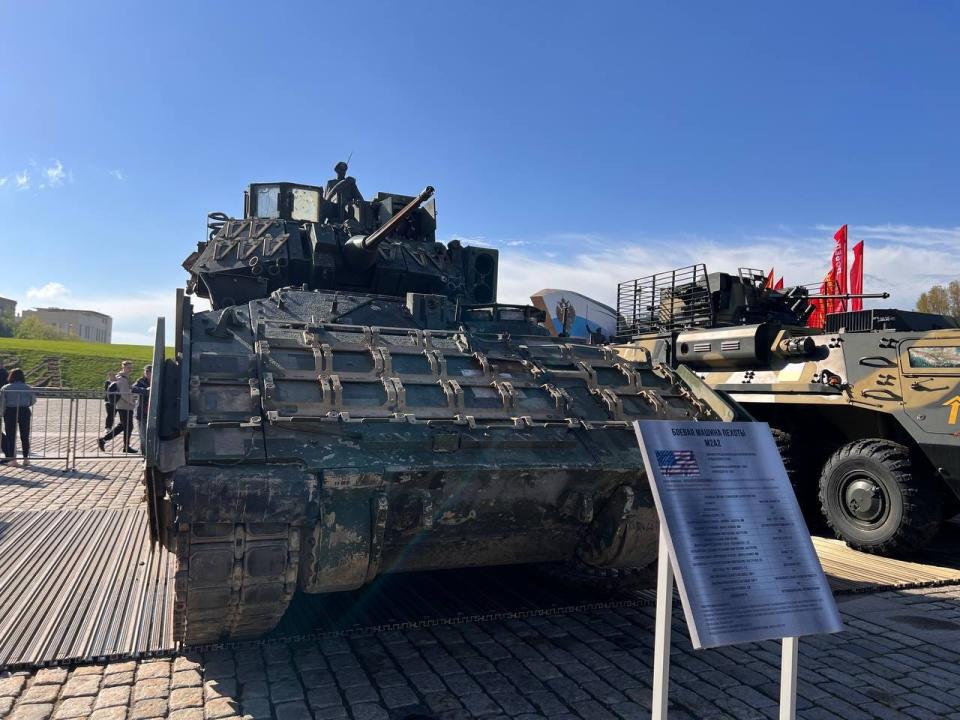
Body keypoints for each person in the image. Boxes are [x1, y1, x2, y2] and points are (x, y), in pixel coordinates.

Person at [98, 360, 138, 453]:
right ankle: (125, 446)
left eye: (131, 367)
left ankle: (104, 440)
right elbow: (124, 394)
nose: (130, 369)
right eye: (128, 367)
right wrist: (133, 402)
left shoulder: (125, 378)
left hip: (124, 405)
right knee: (128, 426)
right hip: (124, 406)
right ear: (123, 367)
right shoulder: (122, 379)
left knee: (123, 426)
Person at [1, 368, 37, 467]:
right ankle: (26, 459)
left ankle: (13, 460)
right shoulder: (28, 387)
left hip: (10, 411)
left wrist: (2, 413)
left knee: (10, 436)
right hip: (24, 410)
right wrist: (26, 404)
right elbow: (33, 400)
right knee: (25, 435)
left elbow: (2, 402)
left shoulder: (6, 388)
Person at [131, 364, 152, 455]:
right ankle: (144, 454)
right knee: (143, 435)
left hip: (153, 412)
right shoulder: (141, 381)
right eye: (145, 371)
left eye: (148, 371)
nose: (146, 373)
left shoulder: (158, 379)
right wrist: (146, 390)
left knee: (151, 435)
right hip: (142, 412)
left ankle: (152, 453)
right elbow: (133, 388)